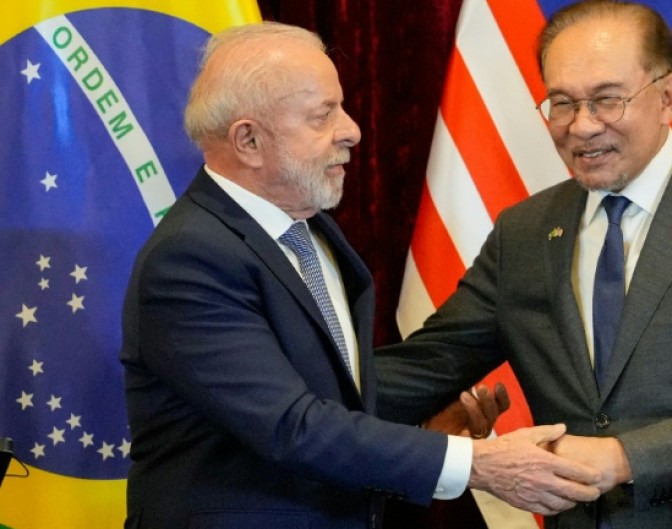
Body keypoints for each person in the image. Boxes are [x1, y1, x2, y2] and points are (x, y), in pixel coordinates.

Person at [120, 22, 602, 529]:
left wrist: (422, 424)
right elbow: (291, 425)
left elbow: (333, 395)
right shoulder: (191, 257)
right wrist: (477, 466)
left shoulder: (311, 231)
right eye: (323, 114)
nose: (352, 129)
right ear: (249, 140)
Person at [375, 1, 672, 528]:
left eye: (607, 100)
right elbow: (423, 368)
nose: (582, 126)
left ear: (666, 97)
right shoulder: (523, 232)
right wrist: (286, 393)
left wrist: (621, 458)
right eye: (562, 103)